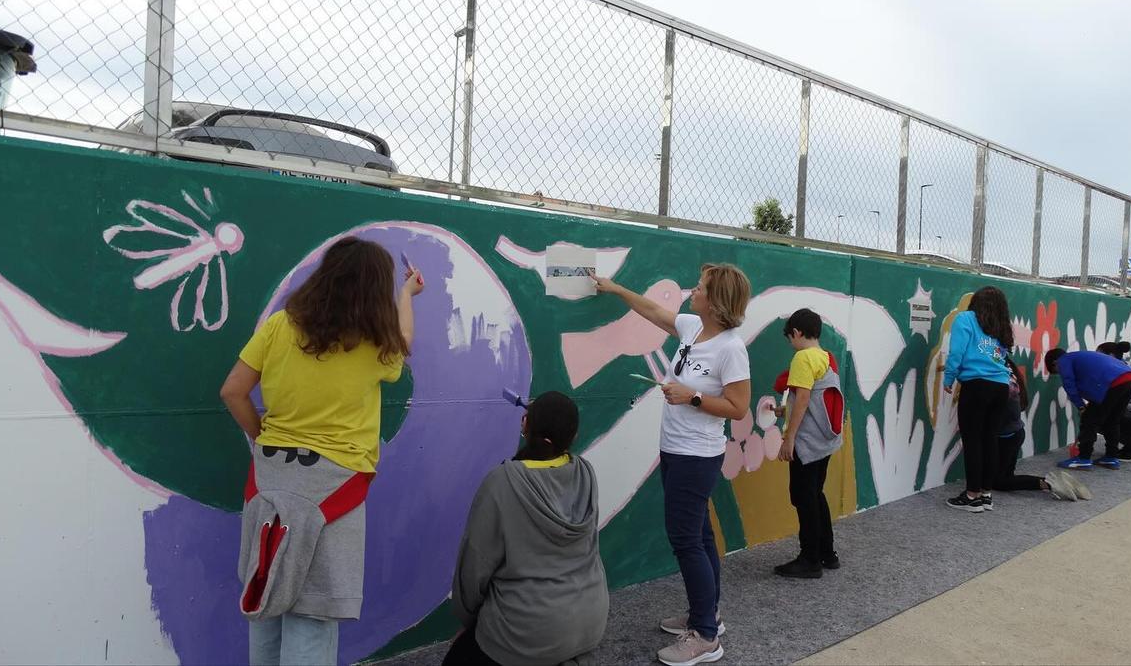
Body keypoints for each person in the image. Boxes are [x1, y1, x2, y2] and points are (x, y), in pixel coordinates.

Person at [219, 237, 423, 666]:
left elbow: (233, 391)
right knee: (313, 614)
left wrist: (262, 440)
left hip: (269, 480)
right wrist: (407, 295)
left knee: (266, 595)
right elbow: (405, 341)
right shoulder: (375, 343)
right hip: (336, 487)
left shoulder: (279, 326)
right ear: (372, 289)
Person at [592, 264, 751, 666]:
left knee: (685, 540)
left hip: (698, 456)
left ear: (715, 304)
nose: (692, 292)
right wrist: (614, 289)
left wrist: (692, 398)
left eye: (699, 289)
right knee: (699, 535)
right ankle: (707, 614)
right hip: (676, 450)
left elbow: (738, 407)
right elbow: (652, 311)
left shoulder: (731, 348)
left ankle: (706, 638)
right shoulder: (692, 329)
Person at [445, 391, 608, 666]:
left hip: (526, 630)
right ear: (574, 436)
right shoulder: (585, 473)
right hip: (591, 620)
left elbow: (474, 570)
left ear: (524, 424)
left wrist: (474, 622)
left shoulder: (501, 482)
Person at [771, 308, 844, 579]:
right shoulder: (826, 357)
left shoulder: (802, 357)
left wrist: (788, 437)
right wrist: (784, 411)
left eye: (790, 337)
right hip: (825, 441)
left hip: (807, 443)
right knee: (815, 494)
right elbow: (811, 399)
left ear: (797, 332)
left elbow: (802, 399)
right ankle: (827, 553)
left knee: (803, 498)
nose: (791, 343)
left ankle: (809, 558)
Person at [943, 286, 1014, 513]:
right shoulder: (1001, 326)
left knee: (973, 441)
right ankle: (985, 494)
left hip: (976, 385)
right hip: (1001, 387)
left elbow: (957, 352)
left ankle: (971, 495)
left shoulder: (965, 319)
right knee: (989, 439)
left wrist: (949, 377)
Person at [993, 358, 1090, 501]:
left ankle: (1048, 483)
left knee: (999, 482)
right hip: (1016, 433)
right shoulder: (1011, 378)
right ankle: (1056, 482)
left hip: (1006, 437)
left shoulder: (999, 383)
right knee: (1005, 477)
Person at [1048, 347, 1131, 470]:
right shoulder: (1080, 357)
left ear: (1054, 362)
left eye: (1056, 371)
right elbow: (1092, 385)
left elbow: (1069, 383)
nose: (1060, 373)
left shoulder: (1063, 360)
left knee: (1089, 421)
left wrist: (1080, 406)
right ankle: (1111, 458)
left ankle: (1083, 458)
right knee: (1113, 421)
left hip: (1113, 383)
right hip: (1130, 378)